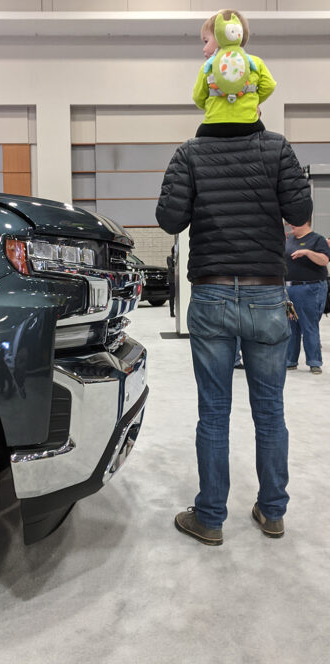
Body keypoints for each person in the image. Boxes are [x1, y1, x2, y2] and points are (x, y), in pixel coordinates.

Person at [156, 115, 312, 545]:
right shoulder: (278, 148)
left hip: (211, 294)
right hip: (266, 294)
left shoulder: (190, 152)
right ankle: (273, 511)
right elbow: (300, 213)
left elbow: (169, 219)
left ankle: (209, 518)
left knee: (213, 413)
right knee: (270, 412)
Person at [193, 9, 275, 135]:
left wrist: (213, 106)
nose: (204, 48)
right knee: (263, 137)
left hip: (213, 125)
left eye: (206, 41)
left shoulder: (208, 66)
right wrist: (253, 100)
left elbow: (198, 97)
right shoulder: (256, 62)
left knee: (198, 138)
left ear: (220, 36)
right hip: (249, 123)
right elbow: (269, 86)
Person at [284, 220, 330, 374]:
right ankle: (290, 360)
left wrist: (308, 253)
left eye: (293, 223)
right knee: (291, 326)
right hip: (289, 288)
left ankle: (314, 361)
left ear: (305, 222)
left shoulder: (317, 239)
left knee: (309, 325)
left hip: (310, 288)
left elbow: (324, 260)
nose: (290, 225)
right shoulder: (289, 240)